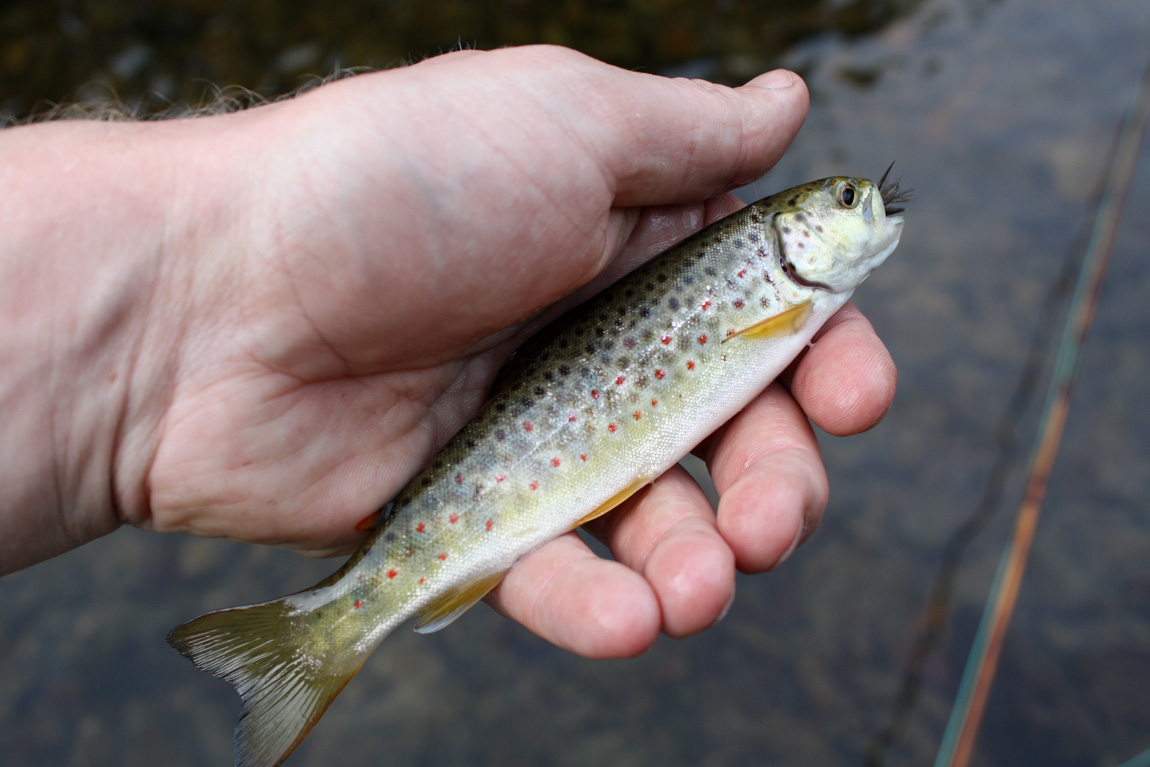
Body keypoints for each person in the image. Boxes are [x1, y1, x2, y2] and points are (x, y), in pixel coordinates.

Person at [0, 45, 895, 658]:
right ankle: (325, 631)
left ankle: (340, 620)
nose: (869, 206)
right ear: (793, 237)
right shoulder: (780, 294)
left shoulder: (787, 296)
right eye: (849, 200)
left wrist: (158, 331)